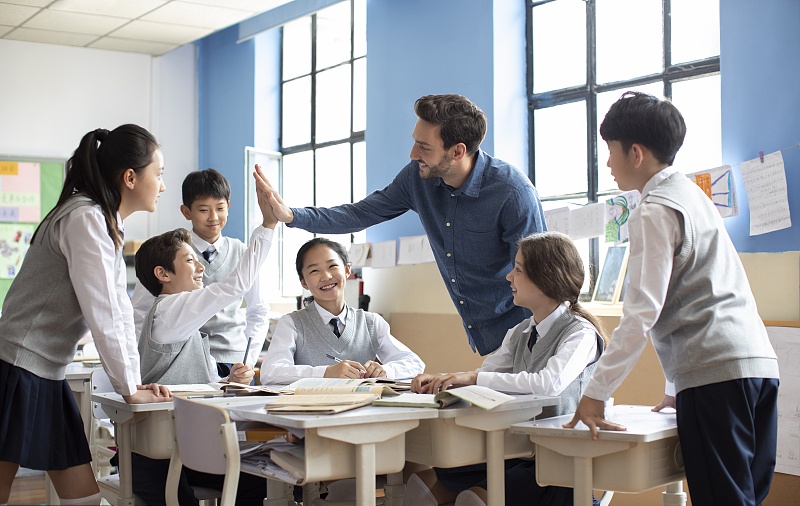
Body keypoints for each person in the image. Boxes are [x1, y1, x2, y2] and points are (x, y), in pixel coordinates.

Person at [565, 91, 780, 506]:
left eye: (610, 151)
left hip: (714, 373)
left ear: (636, 153)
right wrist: (675, 385)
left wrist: (596, 392)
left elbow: (641, 313)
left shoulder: (654, 210)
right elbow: (698, 290)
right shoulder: (695, 197)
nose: (607, 164)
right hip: (758, 366)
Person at [264, 94, 546, 356]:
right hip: (485, 335)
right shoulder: (417, 179)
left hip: (530, 330)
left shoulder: (512, 193)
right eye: (415, 142)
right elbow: (359, 214)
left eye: (424, 147)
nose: (413, 153)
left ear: (457, 151)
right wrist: (292, 215)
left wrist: (535, 343)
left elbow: (539, 277)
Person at [0, 125, 171, 506]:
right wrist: (128, 388)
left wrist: (134, 383)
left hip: (45, 371)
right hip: (16, 367)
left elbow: (119, 311)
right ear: (130, 177)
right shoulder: (86, 218)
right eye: (158, 174)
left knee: (84, 499)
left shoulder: (104, 221)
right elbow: (103, 313)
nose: (162, 185)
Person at [405, 232, 607, 506]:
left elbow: (548, 384)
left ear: (546, 277)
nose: (509, 277)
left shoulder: (581, 333)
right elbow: (487, 375)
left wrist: (471, 378)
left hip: (558, 460)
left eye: (518, 270)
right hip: (516, 450)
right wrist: (445, 381)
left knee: (472, 500)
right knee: (421, 485)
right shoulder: (520, 332)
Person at [126, 165, 277, 506]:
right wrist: (268, 225)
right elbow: (233, 287)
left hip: (182, 439)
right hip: (159, 451)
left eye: (220, 208)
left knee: (255, 478)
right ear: (163, 274)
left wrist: (230, 381)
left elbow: (205, 381)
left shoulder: (189, 326)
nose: (201, 269)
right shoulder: (171, 309)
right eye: (190, 261)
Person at [132, 168, 269, 378]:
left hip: (233, 360)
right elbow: (141, 313)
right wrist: (146, 359)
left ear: (228, 206)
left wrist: (247, 360)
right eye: (203, 210)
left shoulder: (241, 252)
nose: (213, 217)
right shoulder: (167, 252)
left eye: (220, 208)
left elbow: (258, 310)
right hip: (184, 358)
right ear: (186, 212)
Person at [260, 237, 424, 384]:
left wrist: (386, 370)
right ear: (304, 282)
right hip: (310, 407)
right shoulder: (291, 323)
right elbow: (270, 372)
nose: (326, 276)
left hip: (362, 405)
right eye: (314, 271)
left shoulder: (371, 322)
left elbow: (415, 364)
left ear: (347, 270)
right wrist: (325, 373)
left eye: (332, 266)